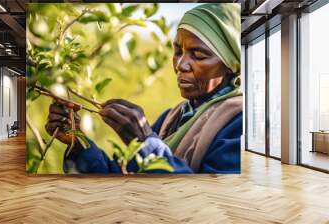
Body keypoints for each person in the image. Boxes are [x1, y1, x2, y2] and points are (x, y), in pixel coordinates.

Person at [46, 3, 242, 174]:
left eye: (198, 55)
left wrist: (145, 141)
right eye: (177, 52)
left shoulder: (238, 122)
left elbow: (207, 200)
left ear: (231, 63)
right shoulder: (171, 118)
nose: (180, 65)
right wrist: (79, 144)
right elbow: (124, 177)